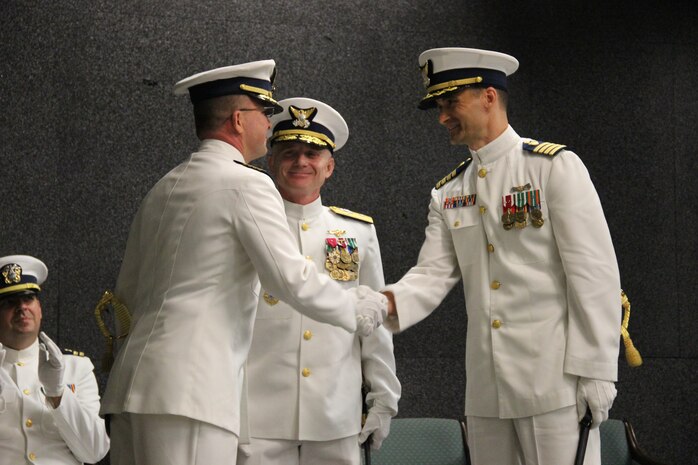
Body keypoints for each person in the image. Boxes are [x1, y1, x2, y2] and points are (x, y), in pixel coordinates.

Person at [99, 60, 388, 465]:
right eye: (264, 113)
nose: (268, 125)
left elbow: (125, 297)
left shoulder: (165, 186)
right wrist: (356, 307)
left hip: (134, 387)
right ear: (238, 119)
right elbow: (291, 280)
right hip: (192, 391)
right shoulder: (246, 183)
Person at [381, 48, 621, 465]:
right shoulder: (449, 192)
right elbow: (432, 275)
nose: (442, 116)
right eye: (439, 105)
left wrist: (598, 368)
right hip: (487, 391)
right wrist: (379, 305)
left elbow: (593, 274)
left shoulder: (553, 168)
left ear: (489, 97)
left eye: (450, 102)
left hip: (555, 385)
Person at [238, 98, 401, 465]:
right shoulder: (246, 224)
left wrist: (384, 395)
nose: (301, 161)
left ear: (330, 166)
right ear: (270, 160)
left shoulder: (357, 230)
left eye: (312, 153)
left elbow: (376, 322)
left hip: (334, 411)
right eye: (290, 151)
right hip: (260, 413)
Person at [0, 255, 109, 465]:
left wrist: (58, 394)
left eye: (28, 298)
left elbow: (94, 451)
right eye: (9, 302)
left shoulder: (76, 368)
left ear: (39, 309)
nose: (22, 307)